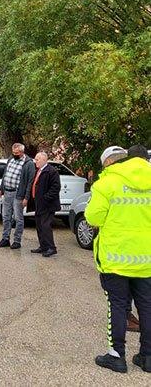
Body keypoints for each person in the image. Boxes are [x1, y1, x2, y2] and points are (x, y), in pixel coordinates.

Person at [88, 145, 151, 373]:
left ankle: (117, 356)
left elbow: (93, 216)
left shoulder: (108, 182)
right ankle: (147, 356)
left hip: (116, 258)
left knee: (117, 305)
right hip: (146, 259)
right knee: (147, 305)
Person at [0, 143, 36, 249]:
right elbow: (5, 175)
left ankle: (17, 241)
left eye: (16, 153)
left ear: (22, 152)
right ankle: (5, 239)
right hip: (7, 192)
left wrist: (26, 197)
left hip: (18, 194)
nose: (14, 154)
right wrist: (1, 188)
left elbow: (30, 182)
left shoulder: (29, 163)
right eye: (13, 152)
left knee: (18, 218)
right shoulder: (11, 159)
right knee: (5, 217)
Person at [27, 152, 61, 257]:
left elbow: (56, 188)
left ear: (43, 160)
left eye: (37, 159)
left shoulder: (51, 171)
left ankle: (51, 248)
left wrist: (45, 198)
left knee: (45, 226)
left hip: (47, 204)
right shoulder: (39, 171)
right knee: (39, 225)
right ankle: (43, 246)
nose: (35, 161)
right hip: (38, 203)